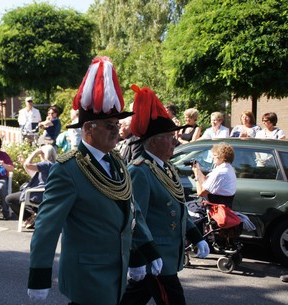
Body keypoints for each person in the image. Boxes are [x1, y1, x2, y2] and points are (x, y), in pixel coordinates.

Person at [27, 56, 135, 305]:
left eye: (117, 124)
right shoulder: (69, 169)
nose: (116, 130)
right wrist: (39, 275)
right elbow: (47, 225)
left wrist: (142, 253)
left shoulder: (117, 163)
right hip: (87, 275)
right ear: (89, 129)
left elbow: (129, 213)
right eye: (109, 125)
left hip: (116, 270)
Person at [120, 85, 209, 305]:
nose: (174, 142)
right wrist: (139, 256)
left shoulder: (167, 168)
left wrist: (197, 236)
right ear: (154, 140)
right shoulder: (140, 171)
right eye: (169, 137)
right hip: (155, 255)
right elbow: (133, 218)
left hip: (167, 255)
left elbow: (179, 207)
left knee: (132, 299)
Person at [5, 144, 56, 229]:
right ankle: (34, 216)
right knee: (21, 195)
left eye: (41, 153)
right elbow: (32, 172)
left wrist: (35, 152)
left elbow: (27, 165)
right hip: (47, 194)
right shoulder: (54, 165)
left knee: (10, 199)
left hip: (37, 195)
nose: (39, 155)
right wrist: (24, 162)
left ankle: (30, 217)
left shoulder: (45, 164)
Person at [192, 142, 237, 208]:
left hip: (215, 211)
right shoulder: (227, 168)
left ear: (222, 157)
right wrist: (198, 169)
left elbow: (201, 193)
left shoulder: (221, 172)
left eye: (215, 155)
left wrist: (196, 174)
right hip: (220, 208)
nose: (213, 157)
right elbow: (205, 180)